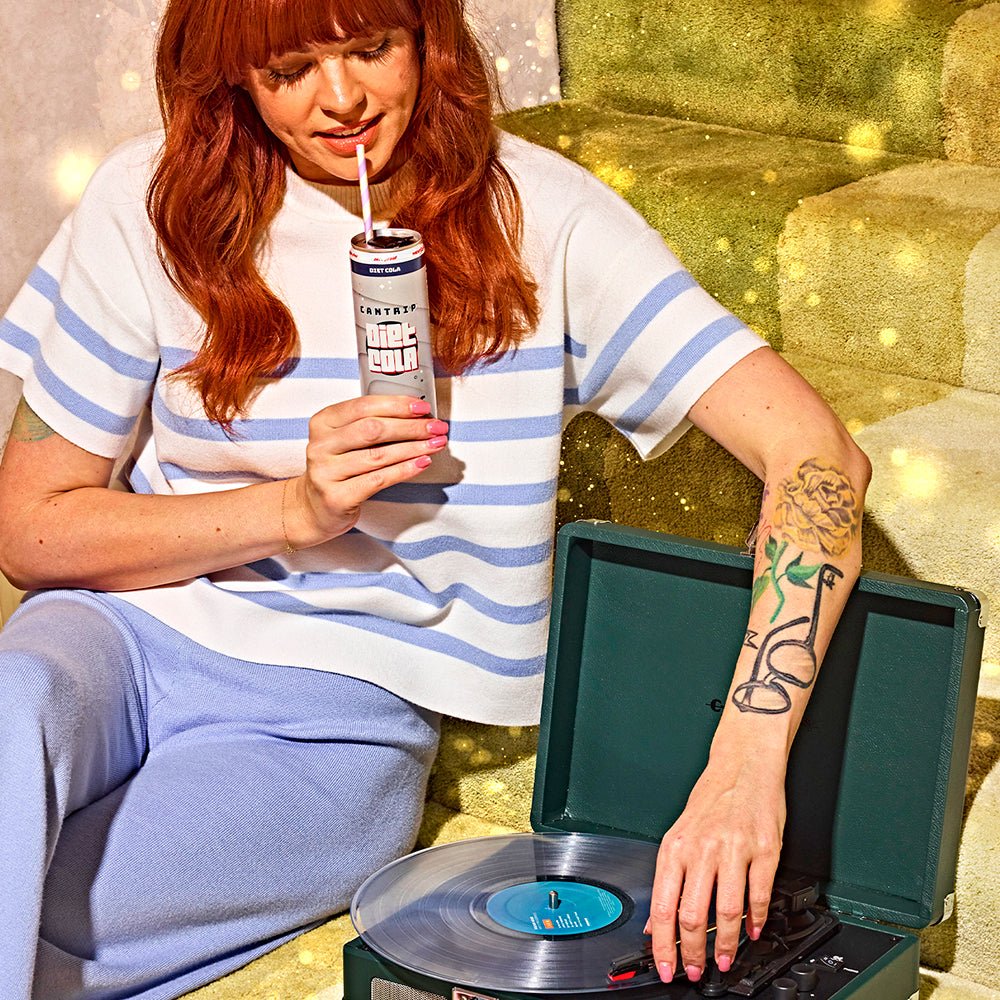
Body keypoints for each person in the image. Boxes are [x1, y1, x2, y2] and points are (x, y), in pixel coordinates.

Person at [0, 0, 871, 995]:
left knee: (56, 918)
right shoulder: (149, 201)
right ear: (230, 73)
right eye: (288, 70)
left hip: (331, 720)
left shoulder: (545, 220)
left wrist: (744, 766)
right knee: (13, 704)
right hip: (114, 639)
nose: (340, 100)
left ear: (427, 38)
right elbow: (29, 526)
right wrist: (290, 510)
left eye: (371, 49)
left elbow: (818, 456)